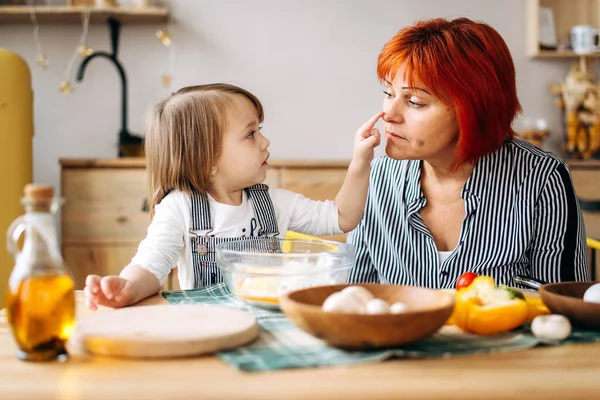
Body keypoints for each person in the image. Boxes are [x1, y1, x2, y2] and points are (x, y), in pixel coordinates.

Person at [85, 83, 382, 310]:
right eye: (251, 134)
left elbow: (342, 218)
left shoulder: (273, 203)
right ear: (208, 160)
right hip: (207, 329)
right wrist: (124, 288)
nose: (265, 141)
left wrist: (359, 163)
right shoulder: (179, 208)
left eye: (260, 130)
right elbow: (149, 267)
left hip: (267, 326)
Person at [347, 17, 590, 289]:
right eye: (388, 93)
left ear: (472, 111)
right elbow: (354, 298)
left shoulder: (542, 180)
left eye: (415, 101)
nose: (388, 115)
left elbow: (562, 311)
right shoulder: (376, 178)